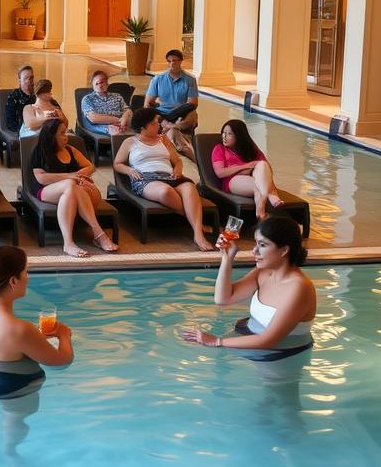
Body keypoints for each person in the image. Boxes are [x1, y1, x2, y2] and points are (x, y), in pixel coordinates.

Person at [0, 246, 74, 454]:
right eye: (26, 272)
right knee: (15, 419)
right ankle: (11, 456)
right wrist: (64, 335)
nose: (28, 278)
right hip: (9, 387)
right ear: (13, 281)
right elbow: (62, 360)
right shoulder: (21, 330)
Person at [182, 216, 316, 358]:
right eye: (256, 243)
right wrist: (227, 258)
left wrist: (217, 341)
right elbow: (223, 299)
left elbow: (269, 340)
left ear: (284, 250)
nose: (254, 251)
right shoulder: (263, 272)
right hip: (249, 335)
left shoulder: (299, 288)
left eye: (262, 245)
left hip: (280, 354)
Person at [113, 106, 213, 251]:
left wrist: (178, 171)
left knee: (190, 189)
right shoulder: (130, 142)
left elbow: (177, 161)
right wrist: (129, 170)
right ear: (143, 127)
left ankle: (198, 235)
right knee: (165, 192)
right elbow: (117, 164)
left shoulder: (164, 140)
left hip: (169, 175)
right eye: (154, 123)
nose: (159, 125)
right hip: (145, 178)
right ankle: (196, 222)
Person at [30, 119, 118, 258]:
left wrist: (80, 175)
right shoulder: (40, 151)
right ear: (51, 135)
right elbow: (41, 178)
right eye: (62, 133)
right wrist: (70, 176)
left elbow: (90, 166)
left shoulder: (71, 150)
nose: (66, 136)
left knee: (71, 189)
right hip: (46, 190)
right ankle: (98, 234)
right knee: (70, 185)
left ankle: (68, 243)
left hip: (73, 191)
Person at [212, 119, 285, 220]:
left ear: (239, 136)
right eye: (223, 133)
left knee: (262, 165)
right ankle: (269, 200)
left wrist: (252, 169)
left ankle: (261, 212)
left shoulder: (250, 148)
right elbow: (220, 173)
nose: (224, 136)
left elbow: (266, 168)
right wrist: (246, 166)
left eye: (229, 134)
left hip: (253, 176)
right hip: (232, 180)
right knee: (258, 187)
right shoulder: (219, 149)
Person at [144, 49, 198, 158]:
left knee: (193, 114)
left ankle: (172, 127)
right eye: (169, 61)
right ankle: (196, 158)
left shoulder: (190, 79)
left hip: (181, 115)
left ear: (181, 61)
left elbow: (193, 103)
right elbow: (147, 104)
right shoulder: (157, 79)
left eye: (174, 60)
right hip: (162, 115)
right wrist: (158, 108)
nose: (172, 63)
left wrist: (177, 114)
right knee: (151, 113)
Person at [80, 69, 132, 136]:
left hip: (123, 125)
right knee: (117, 132)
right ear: (92, 85)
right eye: (96, 83)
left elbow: (127, 110)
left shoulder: (117, 96)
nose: (100, 85)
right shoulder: (88, 99)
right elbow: (93, 118)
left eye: (102, 82)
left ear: (107, 83)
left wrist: (124, 120)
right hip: (104, 127)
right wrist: (118, 120)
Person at [4, 65, 36, 133]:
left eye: (31, 78)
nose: (28, 81)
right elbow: (10, 123)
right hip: (22, 130)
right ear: (19, 80)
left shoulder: (37, 95)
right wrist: (23, 131)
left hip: (38, 127)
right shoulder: (13, 97)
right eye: (25, 78)